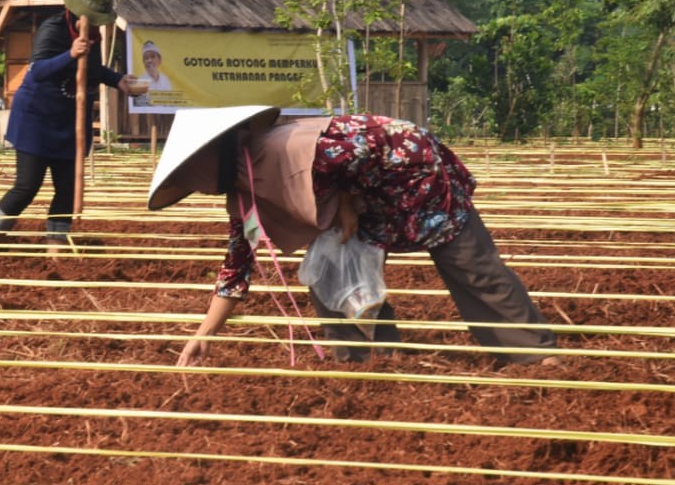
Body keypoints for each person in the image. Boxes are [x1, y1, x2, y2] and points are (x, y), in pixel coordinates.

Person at [147, 106, 557, 367]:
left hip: (412, 174)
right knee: (330, 273)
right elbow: (237, 270)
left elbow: (359, 151)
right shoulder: (245, 198)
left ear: (211, 157)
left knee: (469, 265)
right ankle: (369, 361)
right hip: (363, 201)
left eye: (191, 176)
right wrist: (204, 337)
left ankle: (532, 355)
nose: (195, 187)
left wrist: (345, 201)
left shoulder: (286, 146)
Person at [0, 0, 147, 261]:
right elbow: (38, 70)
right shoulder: (53, 29)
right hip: (37, 119)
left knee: (65, 189)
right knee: (27, 185)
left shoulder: (92, 36)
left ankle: (55, 248)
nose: (97, 24)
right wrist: (70, 54)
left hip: (69, 120)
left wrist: (119, 81)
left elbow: (92, 69)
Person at [132, 40, 172, 107]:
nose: (149, 61)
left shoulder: (166, 80)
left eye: (153, 57)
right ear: (143, 62)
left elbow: (170, 104)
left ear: (159, 60)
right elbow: (139, 105)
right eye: (146, 58)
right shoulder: (140, 82)